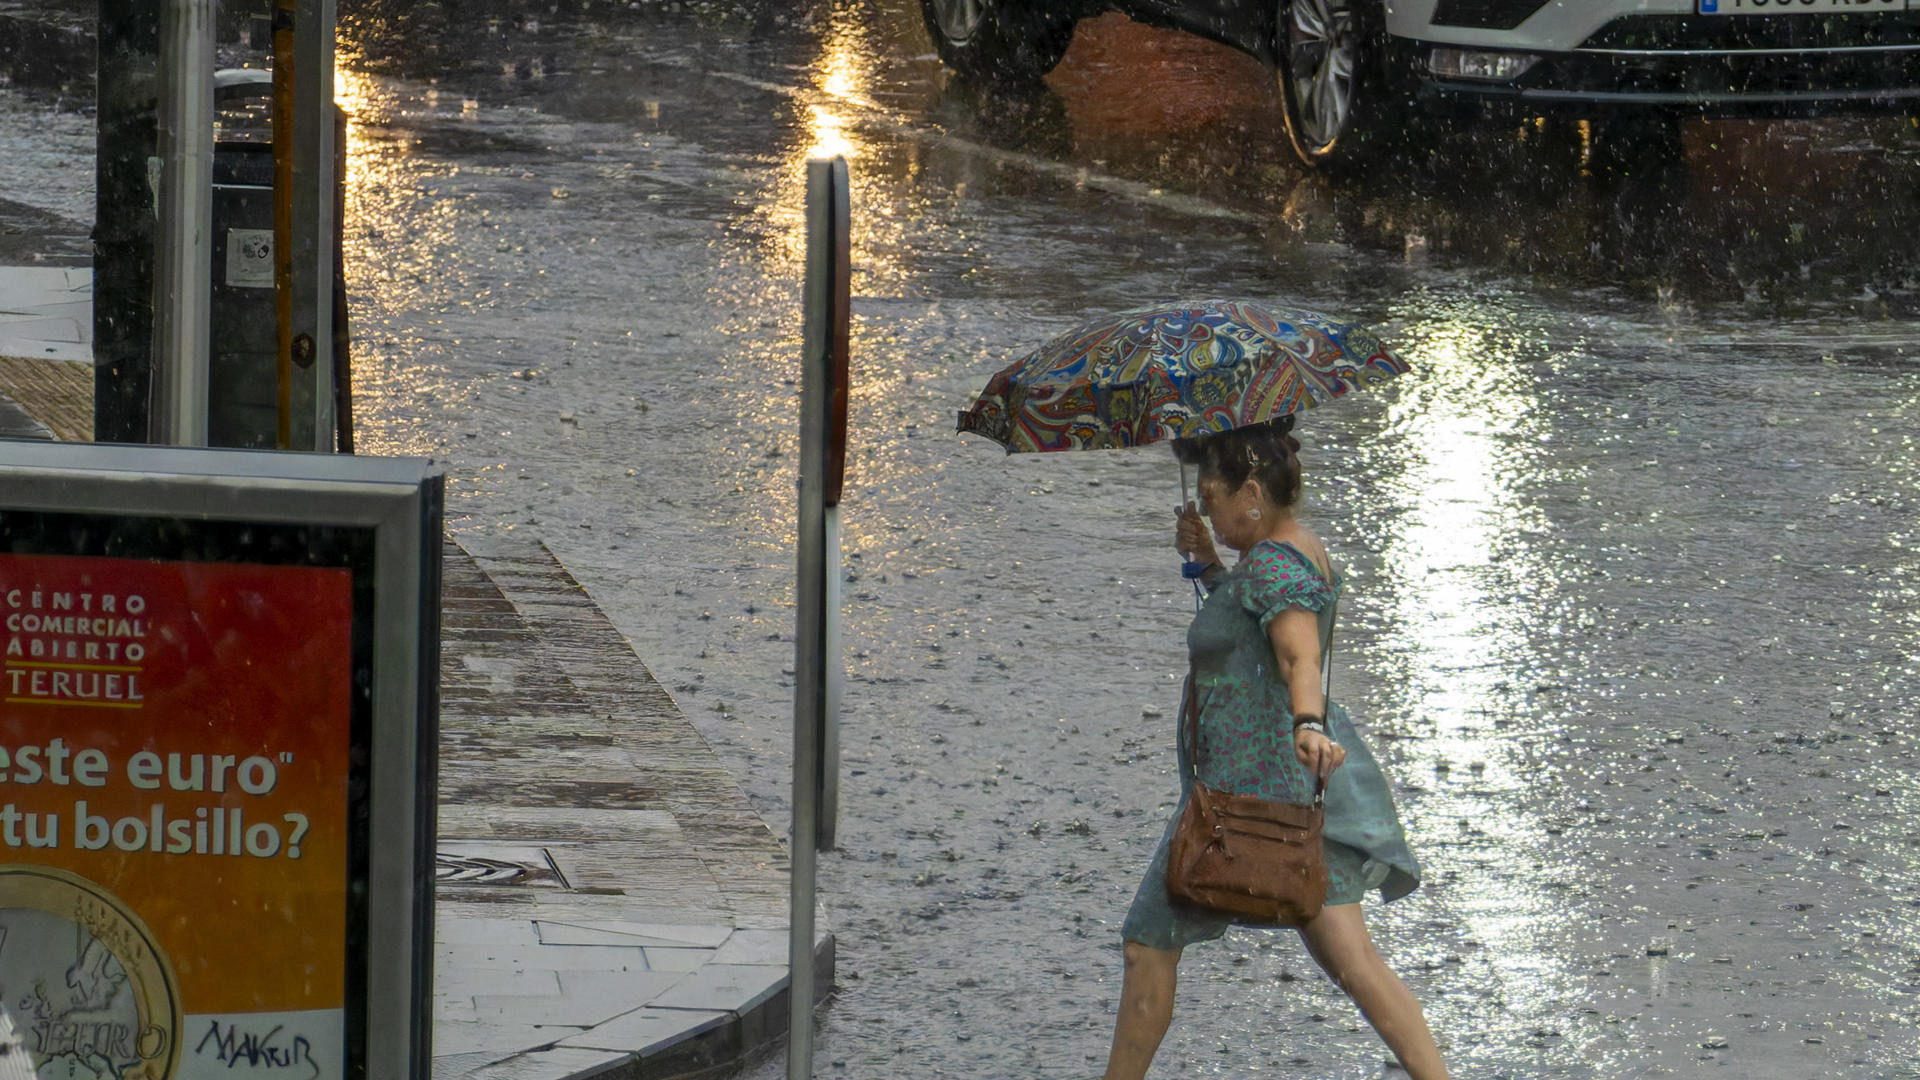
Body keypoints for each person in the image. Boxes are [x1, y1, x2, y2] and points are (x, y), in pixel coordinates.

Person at [1101, 416, 1448, 1080]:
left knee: (1147, 944)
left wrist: (1308, 722)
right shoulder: (1291, 548)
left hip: (1247, 797)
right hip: (1288, 794)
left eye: (1214, 500)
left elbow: (1297, 654)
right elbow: (1258, 625)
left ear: (1251, 490)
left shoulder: (1276, 562)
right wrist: (1208, 562)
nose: (1208, 510)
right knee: (1356, 965)